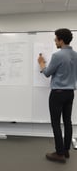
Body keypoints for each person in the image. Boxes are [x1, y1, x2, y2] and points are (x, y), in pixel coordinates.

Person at [38, 28, 77, 163]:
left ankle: (59, 153)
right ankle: (65, 150)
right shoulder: (75, 55)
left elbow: (48, 73)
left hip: (58, 93)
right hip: (70, 93)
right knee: (67, 122)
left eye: (56, 39)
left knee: (56, 123)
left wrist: (42, 64)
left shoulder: (58, 55)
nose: (55, 41)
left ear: (61, 40)